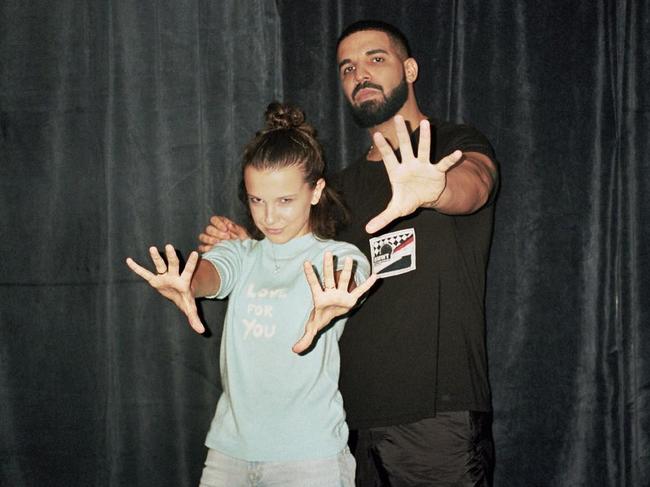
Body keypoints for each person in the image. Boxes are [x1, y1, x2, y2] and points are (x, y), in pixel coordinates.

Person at [199, 20, 499, 487]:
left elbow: (475, 187)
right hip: (345, 425)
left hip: (435, 417)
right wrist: (249, 243)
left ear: (411, 68)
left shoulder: (453, 149)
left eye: (375, 59)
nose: (360, 74)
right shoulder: (336, 190)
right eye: (347, 68)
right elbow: (295, 255)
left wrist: (435, 186)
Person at [127, 102, 377, 486]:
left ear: (316, 191)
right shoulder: (242, 254)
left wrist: (339, 291)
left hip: (310, 458)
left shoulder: (337, 255)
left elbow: (351, 273)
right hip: (229, 454)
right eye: (257, 200)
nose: (269, 217)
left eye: (284, 201)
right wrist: (188, 281)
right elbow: (212, 273)